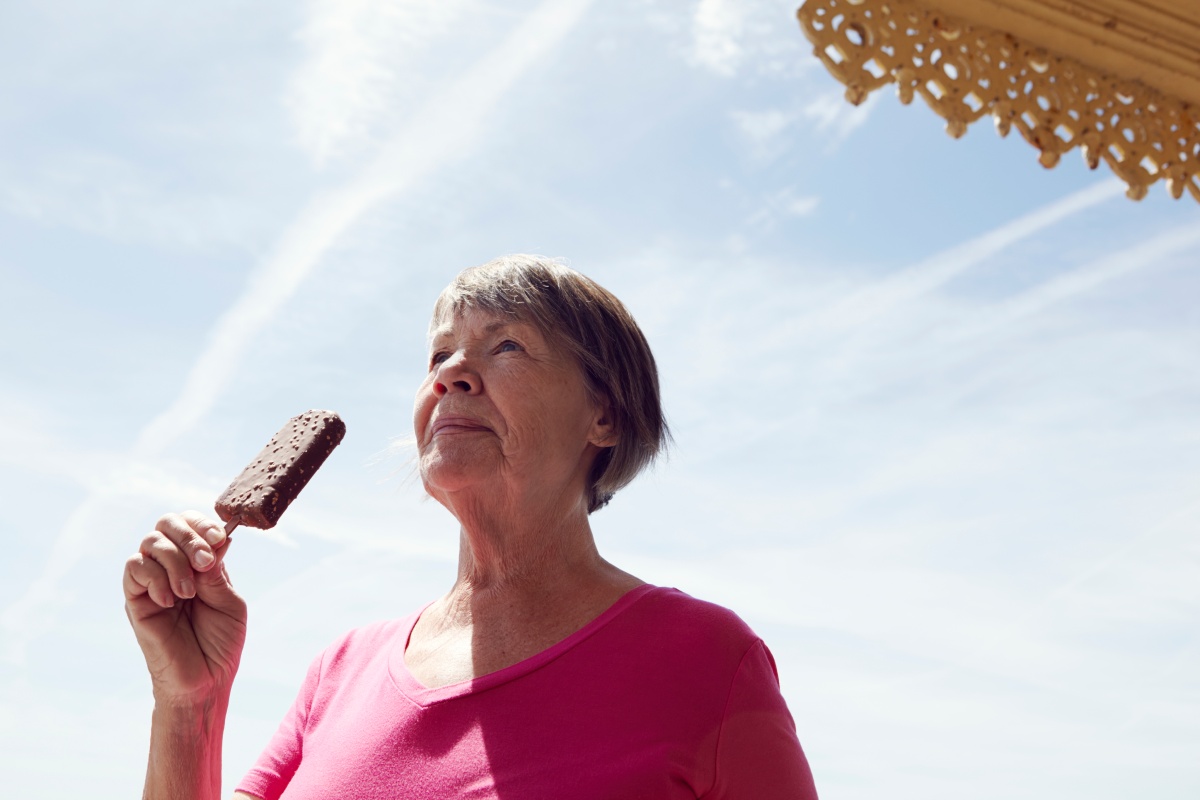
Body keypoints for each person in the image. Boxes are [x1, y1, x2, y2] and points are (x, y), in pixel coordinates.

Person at [124, 255, 819, 800]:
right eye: (438, 356)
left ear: (603, 416)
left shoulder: (706, 659)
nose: (452, 373)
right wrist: (190, 703)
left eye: (506, 345)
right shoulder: (342, 670)